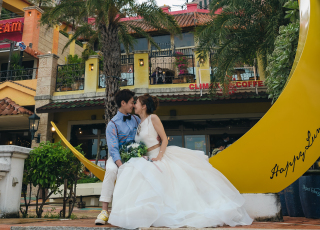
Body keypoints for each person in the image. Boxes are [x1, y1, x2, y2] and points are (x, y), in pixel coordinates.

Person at [108, 95, 252, 228]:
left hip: (158, 155)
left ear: (144, 106)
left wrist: (159, 156)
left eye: (137, 103)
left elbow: (164, 138)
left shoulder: (153, 118)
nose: (134, 105)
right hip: (146, 158)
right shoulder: (139, 121)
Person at [95, 89, 140, 226]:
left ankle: (130, 210)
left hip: (134, 156)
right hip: (117, 157)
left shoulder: (136, 119)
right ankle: (104, 211)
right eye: (132, 102)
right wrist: (121, 165)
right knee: (111, 170)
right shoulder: (112, 124)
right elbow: (113, 149)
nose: (133, 105)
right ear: (123, 103)